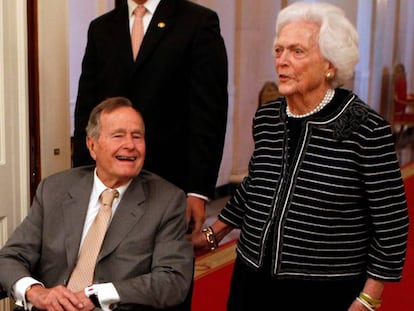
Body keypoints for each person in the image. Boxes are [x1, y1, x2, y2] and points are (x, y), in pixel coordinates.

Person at [192, 2, 409, 311]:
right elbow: (256, 187)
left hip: (323, 288)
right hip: (251, 279)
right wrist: (214, 235)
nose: (282, 61)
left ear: (330, 64)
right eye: (278, 51)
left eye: (297, 51)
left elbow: (392, 223)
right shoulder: (268, 118)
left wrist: (369, 297)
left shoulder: (365, 128)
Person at [0, 97, 194, 311]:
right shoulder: (55, 189)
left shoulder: (166, 200)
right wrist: (35, 292)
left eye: (137, 136)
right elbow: (10, 257)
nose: (130, 145)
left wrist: (97, 295)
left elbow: (173, 281)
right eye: (118, 135)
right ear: (92, 146)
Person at [72, 0, 228, 237]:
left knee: (166, 267)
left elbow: (208, 113)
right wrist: (83, 177)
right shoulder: (101, 28)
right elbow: (87, 110)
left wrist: (197, 190)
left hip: (171, 181)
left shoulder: (198, 22)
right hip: (108, 183)